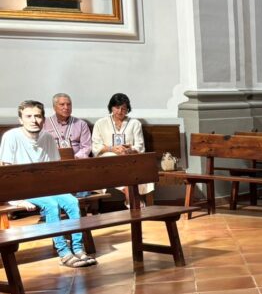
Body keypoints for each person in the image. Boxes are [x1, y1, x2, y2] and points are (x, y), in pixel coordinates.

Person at [0, 100, 94, 267]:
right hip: (22, 190)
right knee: (51, 205)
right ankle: (63, 253)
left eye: (37, 116)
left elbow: (53, 170)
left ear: (43, 119)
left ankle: (78, 248)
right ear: (21, 119)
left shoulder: (48, 138)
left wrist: (60, 189)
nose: (33, 120)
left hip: (45, 187)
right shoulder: (11, 137)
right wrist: (18, 200)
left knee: (72, 202)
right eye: (28, 116)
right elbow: (6, 172)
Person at [91, 93, 153, 202]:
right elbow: (96, 146)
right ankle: (131, 198)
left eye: (123, 108)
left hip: (129, 158)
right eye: (117, 107)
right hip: (108, 159)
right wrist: (111, 149)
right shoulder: (100, 123)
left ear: (128, 109)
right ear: (111, 107)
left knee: (135, 168)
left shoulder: (135, 123)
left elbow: (140, 146)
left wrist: (129, 150)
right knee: (111, 161)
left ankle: (132, 200)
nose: (120, 111)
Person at [43, 93, 92, 158]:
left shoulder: (81, 124)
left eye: (69, 104)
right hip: (52, 159)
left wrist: (76, 157)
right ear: (54, 107)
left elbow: (86, 146)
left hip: (76, 160)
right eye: (62, 104)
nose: (66, 107)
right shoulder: (44, 123)